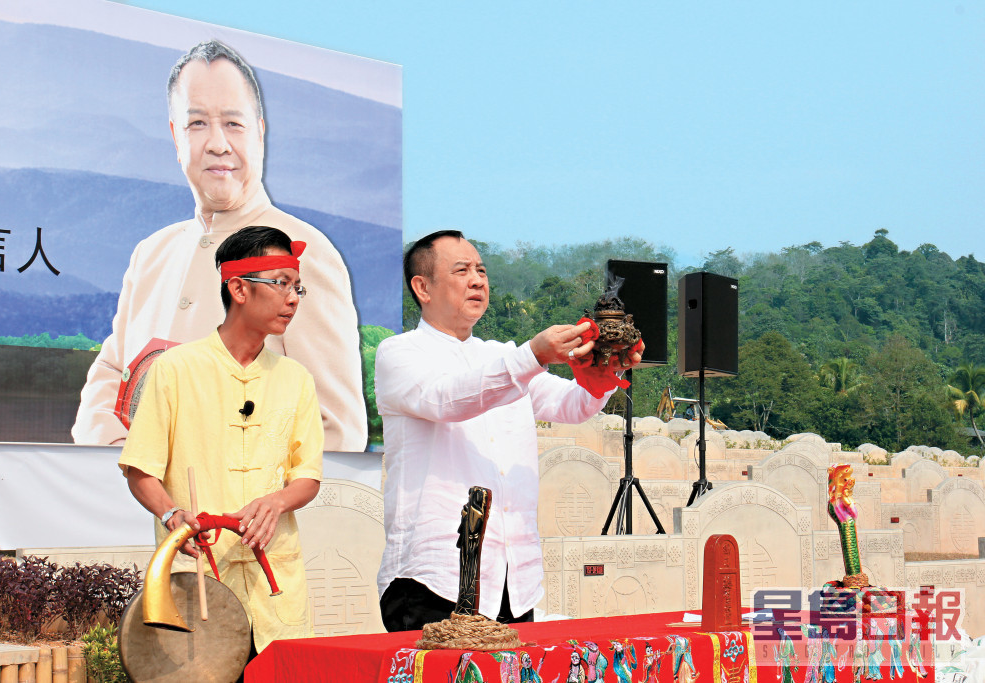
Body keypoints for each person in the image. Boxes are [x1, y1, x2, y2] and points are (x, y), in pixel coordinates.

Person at [73, 39, 366, 452]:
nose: (217, 143)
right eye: (197, 124)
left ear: (260, 133)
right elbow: (110, 376)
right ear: (176, 138)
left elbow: (335, 430)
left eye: (233, 123)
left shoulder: (306, 253)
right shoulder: (151, 253)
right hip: (129, 504)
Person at [375, 230, 641, 632]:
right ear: (422, 287)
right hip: (432, 579)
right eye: (462, 270)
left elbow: (571, 405)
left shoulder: (500, 354)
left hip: (512, 580)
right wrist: (532, 356)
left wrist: (602, 376)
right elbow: (447, 400)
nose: (478, 280)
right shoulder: (399, 353)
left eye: (481, 269)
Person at [118, 225, 323, 651]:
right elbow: (140, 469)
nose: (291, 299)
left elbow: (307, 477)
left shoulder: (295, 378)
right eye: (281, 284)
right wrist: (173, 516)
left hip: (274, 584)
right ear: (239, 289)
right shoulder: (175, 368)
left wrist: (277, 501)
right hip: (201, 577)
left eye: (297, 288)